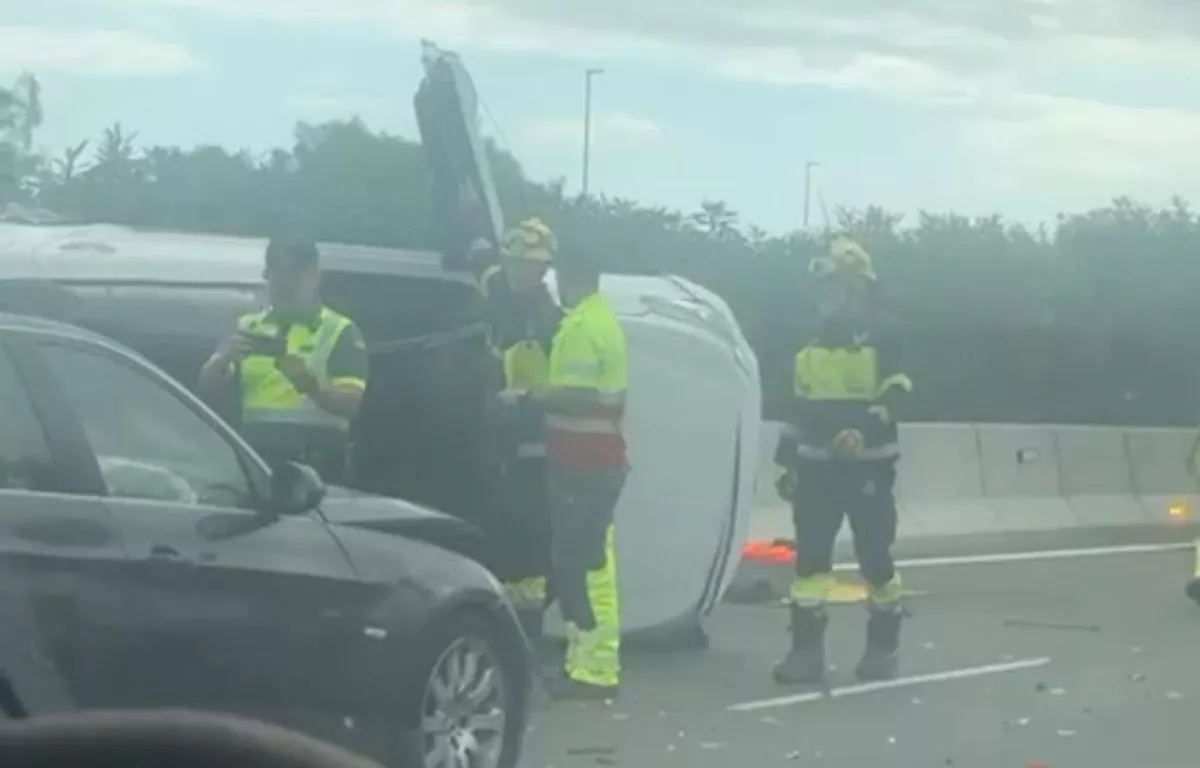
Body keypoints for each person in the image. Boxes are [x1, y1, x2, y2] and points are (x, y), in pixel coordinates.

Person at [772, 236, 912, 685]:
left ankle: (882, 647)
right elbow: (796, 405)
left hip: (867, 466)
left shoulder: (885, 334)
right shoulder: (808, 338)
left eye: (834, 285)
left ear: (857, 287)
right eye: (822, 287)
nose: (825, 295)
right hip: (815, 466)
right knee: (810, 560)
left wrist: (864, 431)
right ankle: (805, 653)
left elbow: (899, 392)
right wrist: (787, 461)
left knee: (874, 556)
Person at [501, 249, 628, 700]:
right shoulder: (599, 320)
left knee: (580, 567)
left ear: (567, 276)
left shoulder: (580, 327)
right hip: (591, 463)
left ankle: (593, 669)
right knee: (587, 564)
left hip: (584, 464)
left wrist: (529, 397)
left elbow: (580, 398)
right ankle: (587, 662)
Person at [199, 235, 368, 482]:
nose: (286, 285)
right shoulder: (248, 325)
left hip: (317, 464)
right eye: (278, 275)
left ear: (315, 279)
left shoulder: (340, 331)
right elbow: (206, 387)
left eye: (295, 276)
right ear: (267, 276)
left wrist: (310, 385)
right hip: (257, 460)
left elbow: (351, 403)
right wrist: (223, 360)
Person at [476, 218, 563, 646]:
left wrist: (525, 402)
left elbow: (565, 391)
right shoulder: (500, 303)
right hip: (497, 450)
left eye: (525, 266)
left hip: (535, 452)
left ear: (543, 270)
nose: (516, 272)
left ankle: (525, 643)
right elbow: (483, 269)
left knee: (528, 555)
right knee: (499, 545)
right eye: (512, 263)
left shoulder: (553, 323)